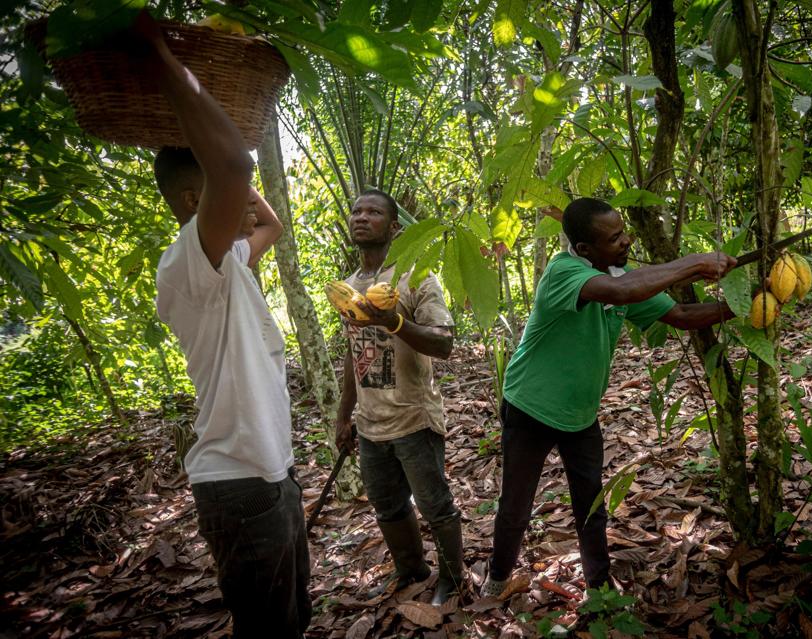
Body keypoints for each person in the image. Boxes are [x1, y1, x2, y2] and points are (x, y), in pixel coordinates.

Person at [138, 13, 310, 638]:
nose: (238, 205)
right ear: (193, 203)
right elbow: (233, 170)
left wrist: (231, 145)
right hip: (237, 486)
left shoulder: (228, 261)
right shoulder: (190, 262)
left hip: (271, 478)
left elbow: (269, 226)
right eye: (216, 194)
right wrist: (160, 54)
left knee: (291, 619)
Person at [481, 197, 737, 596]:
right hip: (530, 405)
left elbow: (682, 317)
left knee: (592, 505)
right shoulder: (564, 272)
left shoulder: (622, 275)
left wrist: (744, 307)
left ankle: (600, 591)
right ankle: (496, 581)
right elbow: (619, 293)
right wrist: (694, 262)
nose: (626, 241)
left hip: (580, 415)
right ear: (584, 249)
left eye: (623, 232)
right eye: (615, 237)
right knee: (516, 506)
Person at [334, 189, 462, 605]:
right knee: (388, 508)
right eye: (356, 210)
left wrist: (392, 321)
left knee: (436, 507)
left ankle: (452, 582)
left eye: (373, 212)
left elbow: (443, 344)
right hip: (371, 426)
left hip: (413, 419)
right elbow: (354, 356)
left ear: (394, 227)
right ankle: (411, 570)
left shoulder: (416, 277)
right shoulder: (349, 287)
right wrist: (343, 417)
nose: (361, 217)